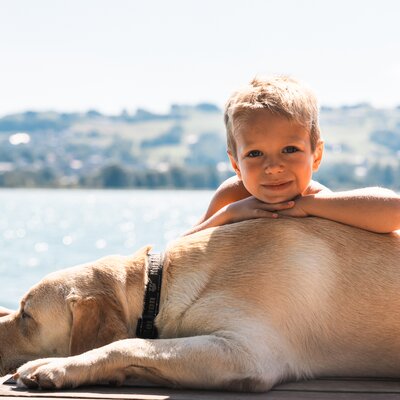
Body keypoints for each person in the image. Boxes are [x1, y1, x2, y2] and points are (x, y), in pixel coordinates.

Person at [185, 76, 400, 236]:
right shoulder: (233, 196)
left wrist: (307, 206)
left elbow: (395, 211)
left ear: (316, 156)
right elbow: (180, 249)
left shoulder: (316, 198)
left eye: (289, 150)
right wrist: (228, 214)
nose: (273, 167)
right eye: (255, 153)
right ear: (236, 165)